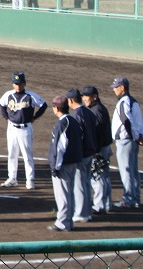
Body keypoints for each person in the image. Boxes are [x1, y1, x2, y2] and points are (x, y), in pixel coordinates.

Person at [0, 72, 47, 189]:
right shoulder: (8, 95)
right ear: (13, 84)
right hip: (12, 128)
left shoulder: (30, 95)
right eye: (16, 84)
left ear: (24, 83)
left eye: (20, 84)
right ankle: (12, 178)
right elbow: (1, 104)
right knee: (12, 154)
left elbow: (43, 105)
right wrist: (6, 117)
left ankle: (30, 180)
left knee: (27, 155)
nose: (18, 86)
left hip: (25, 129)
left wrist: (35, 117)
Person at [47, 95, 83, 231]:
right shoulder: (73, 120)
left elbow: (59, 147)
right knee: (68, 193)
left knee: (62, 195)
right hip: (73, 162)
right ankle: (68, 221)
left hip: (63, 164)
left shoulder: (62, 124)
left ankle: (62, 222)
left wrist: (55, 167)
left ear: (56, 108)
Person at [111, 77, 143, 208]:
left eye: (116, 87)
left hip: (125, 140)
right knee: (133, 170)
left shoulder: (123, 102)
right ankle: (135, 197)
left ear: (122, 88)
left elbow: (126, 121)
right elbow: (139, 122)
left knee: (126, 171)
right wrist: (139, 136)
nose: (114, 90)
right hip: (133, 140)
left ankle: (129, 199)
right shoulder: (134, 102)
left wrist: (133, 136)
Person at [67, 88, 96, 223]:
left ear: (71, 100)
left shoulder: (77, 115)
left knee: (79, 184)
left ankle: (80, 213)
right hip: (90, 152)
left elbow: (78, 137)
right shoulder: (88, 112)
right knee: (86, 183)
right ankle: (87, 212)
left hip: (82, 154)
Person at [82, 86, 112, 215]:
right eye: (83, 96)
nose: (84, 99)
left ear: (94, 97)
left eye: (86, 96)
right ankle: (107, 203)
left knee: (97, 177)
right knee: (104, 176)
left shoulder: (97, 110)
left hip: (99, 149)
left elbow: (98, 132)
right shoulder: (97, 108)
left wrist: (95, 150)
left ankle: (99, 205)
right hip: (103, 147)